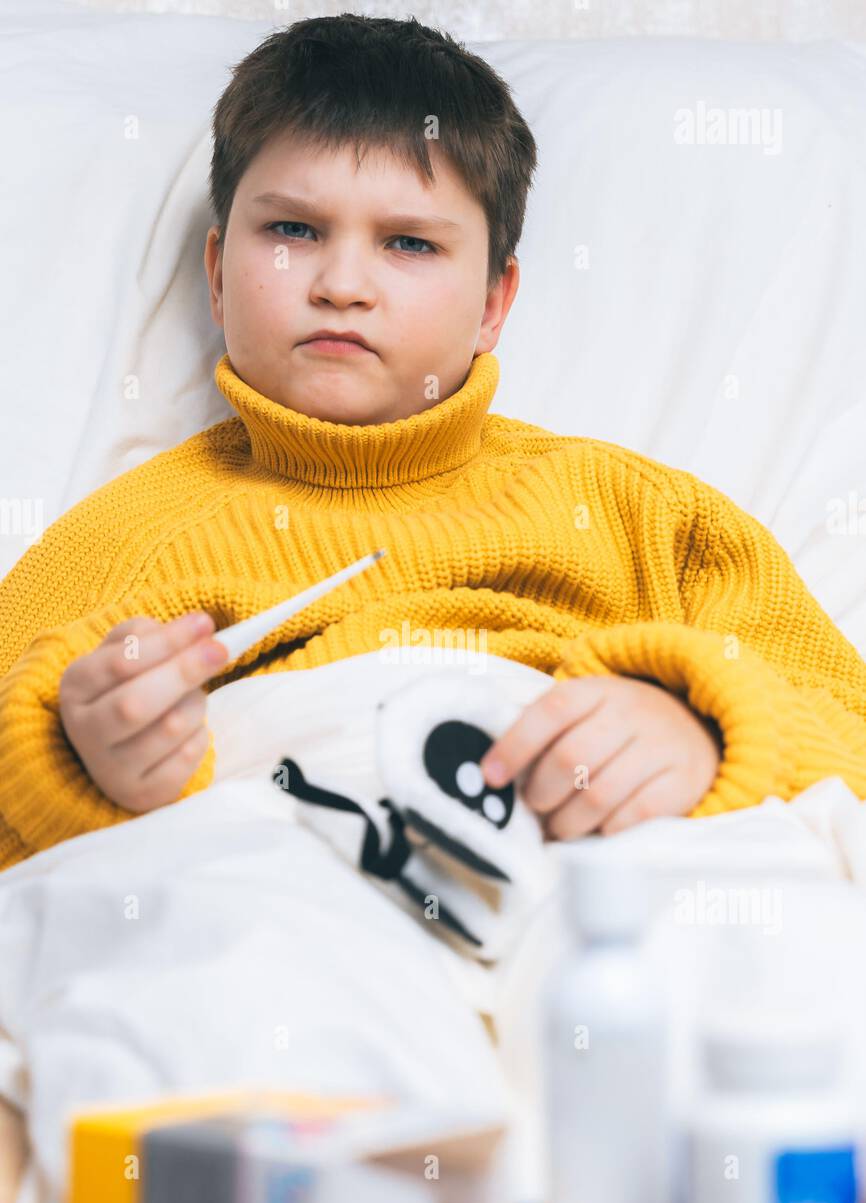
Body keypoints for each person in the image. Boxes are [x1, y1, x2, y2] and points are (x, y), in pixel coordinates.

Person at [0, 13, 864, 875]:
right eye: (293, 231)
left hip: (592, 882)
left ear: (493, 305)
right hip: (275, 888)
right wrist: (77, 768)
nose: (342, 285)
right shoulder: (117, 539)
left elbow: (847, 734)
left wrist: (709, 733)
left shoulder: (642, 515)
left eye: (409, 243)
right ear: (217, 276)